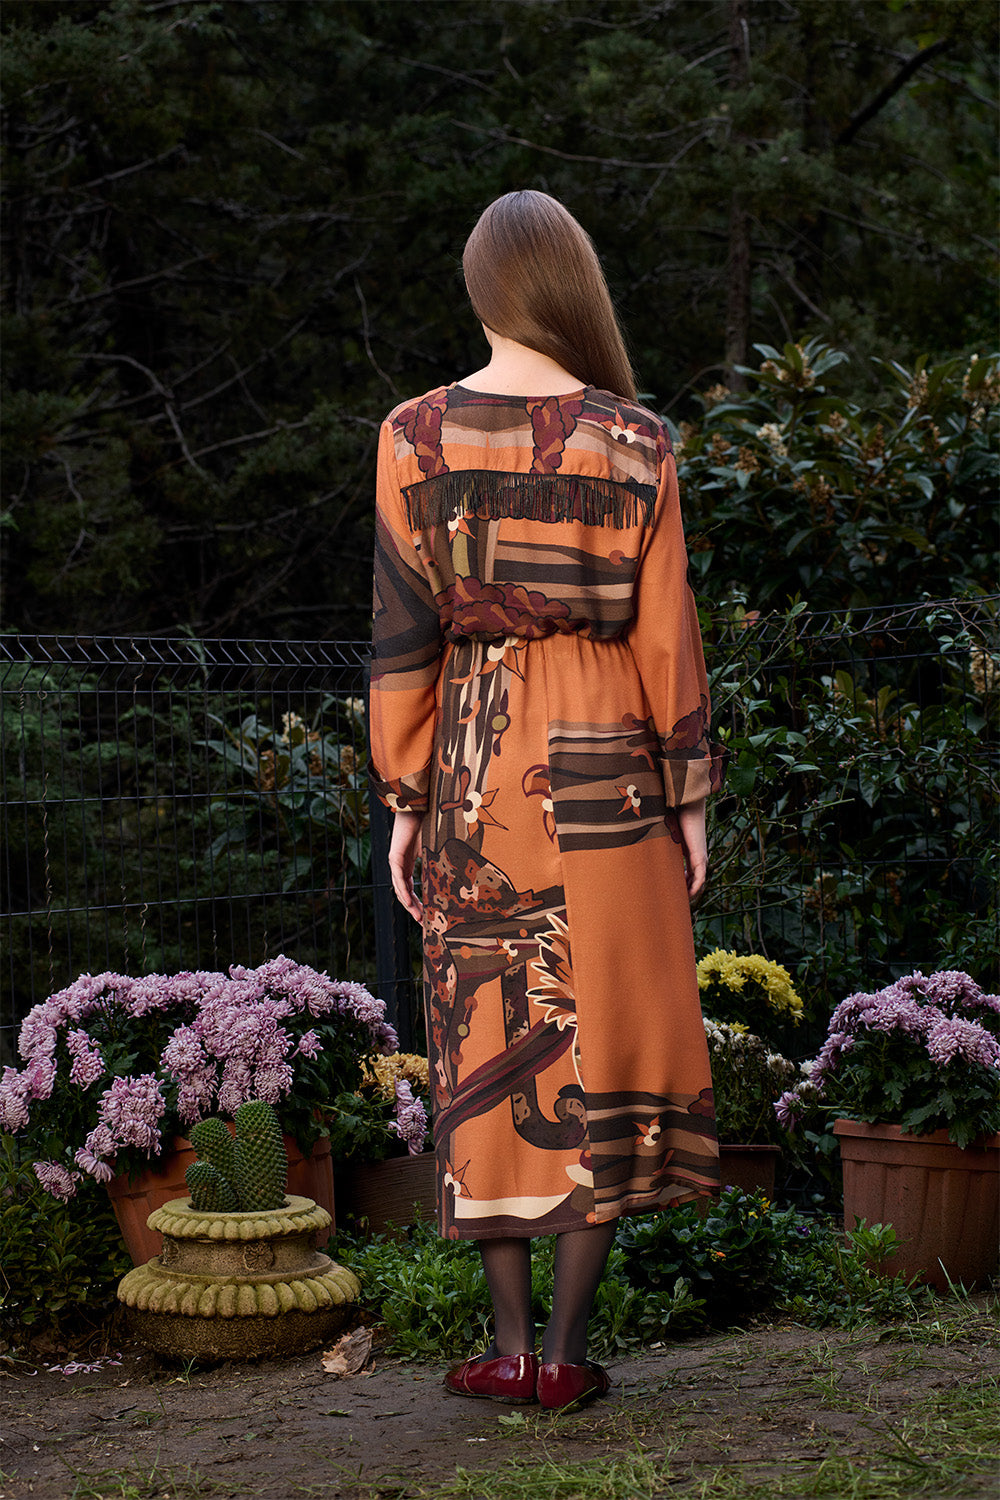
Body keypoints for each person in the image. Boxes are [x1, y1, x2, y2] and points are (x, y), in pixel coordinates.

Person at [368, 190, 721, 1413]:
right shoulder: (637, 440)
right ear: (571, 283)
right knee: (602, 1034)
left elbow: (403, 636)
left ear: (480, 289)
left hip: (478, 766)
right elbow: (666, 633)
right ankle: (566, 1357)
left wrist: (404, 797)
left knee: (488, 1034)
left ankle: (510, 1348)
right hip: (612, 760)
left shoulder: (411, 436)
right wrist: (689, 796)